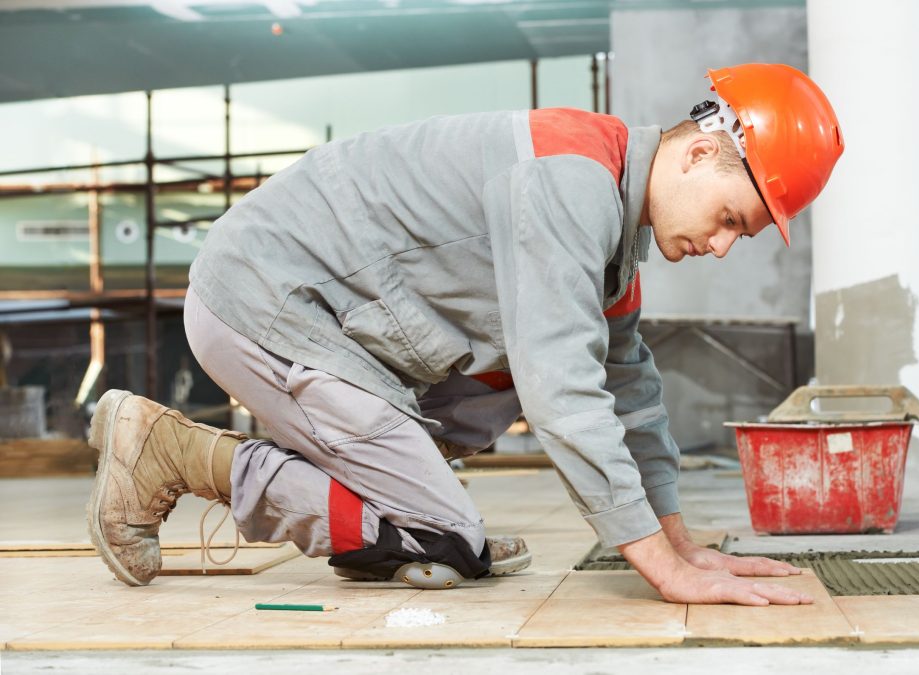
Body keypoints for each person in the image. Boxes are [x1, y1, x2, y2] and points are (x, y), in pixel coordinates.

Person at [86, 63, 843, 605]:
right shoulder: (572, 181)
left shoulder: (609, 224)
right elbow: (563, 392)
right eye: (730, 219)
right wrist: (661, 570)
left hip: (333, 326)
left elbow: (629, 392)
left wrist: (679, 542)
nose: (719, 245)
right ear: (702, 151)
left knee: (540, 370)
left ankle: (406, 500)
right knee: (449, 542)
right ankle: (175, 450)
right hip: (265, 303)